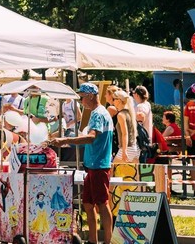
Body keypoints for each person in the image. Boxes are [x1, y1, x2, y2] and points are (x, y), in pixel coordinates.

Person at [49, 83, 114, 244]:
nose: (81, 101)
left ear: (91, 96)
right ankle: (92, 240)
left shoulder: (98, 114)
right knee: (88, 203)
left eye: (82, 97)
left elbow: (91, 137)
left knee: (102, 203)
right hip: (93, 164)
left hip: (99, 164)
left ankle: (108, 241)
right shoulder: (97, 113)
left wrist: (66, 139)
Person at [111, 89, 139, 164]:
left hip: (127, 148)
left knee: (113, 172)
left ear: (119, 100)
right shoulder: (129, 112)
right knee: (134, 174)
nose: (113, 101)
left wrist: (124, 151)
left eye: (114, 99)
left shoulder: (121, 115)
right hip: (134, 147)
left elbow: (125, 134)